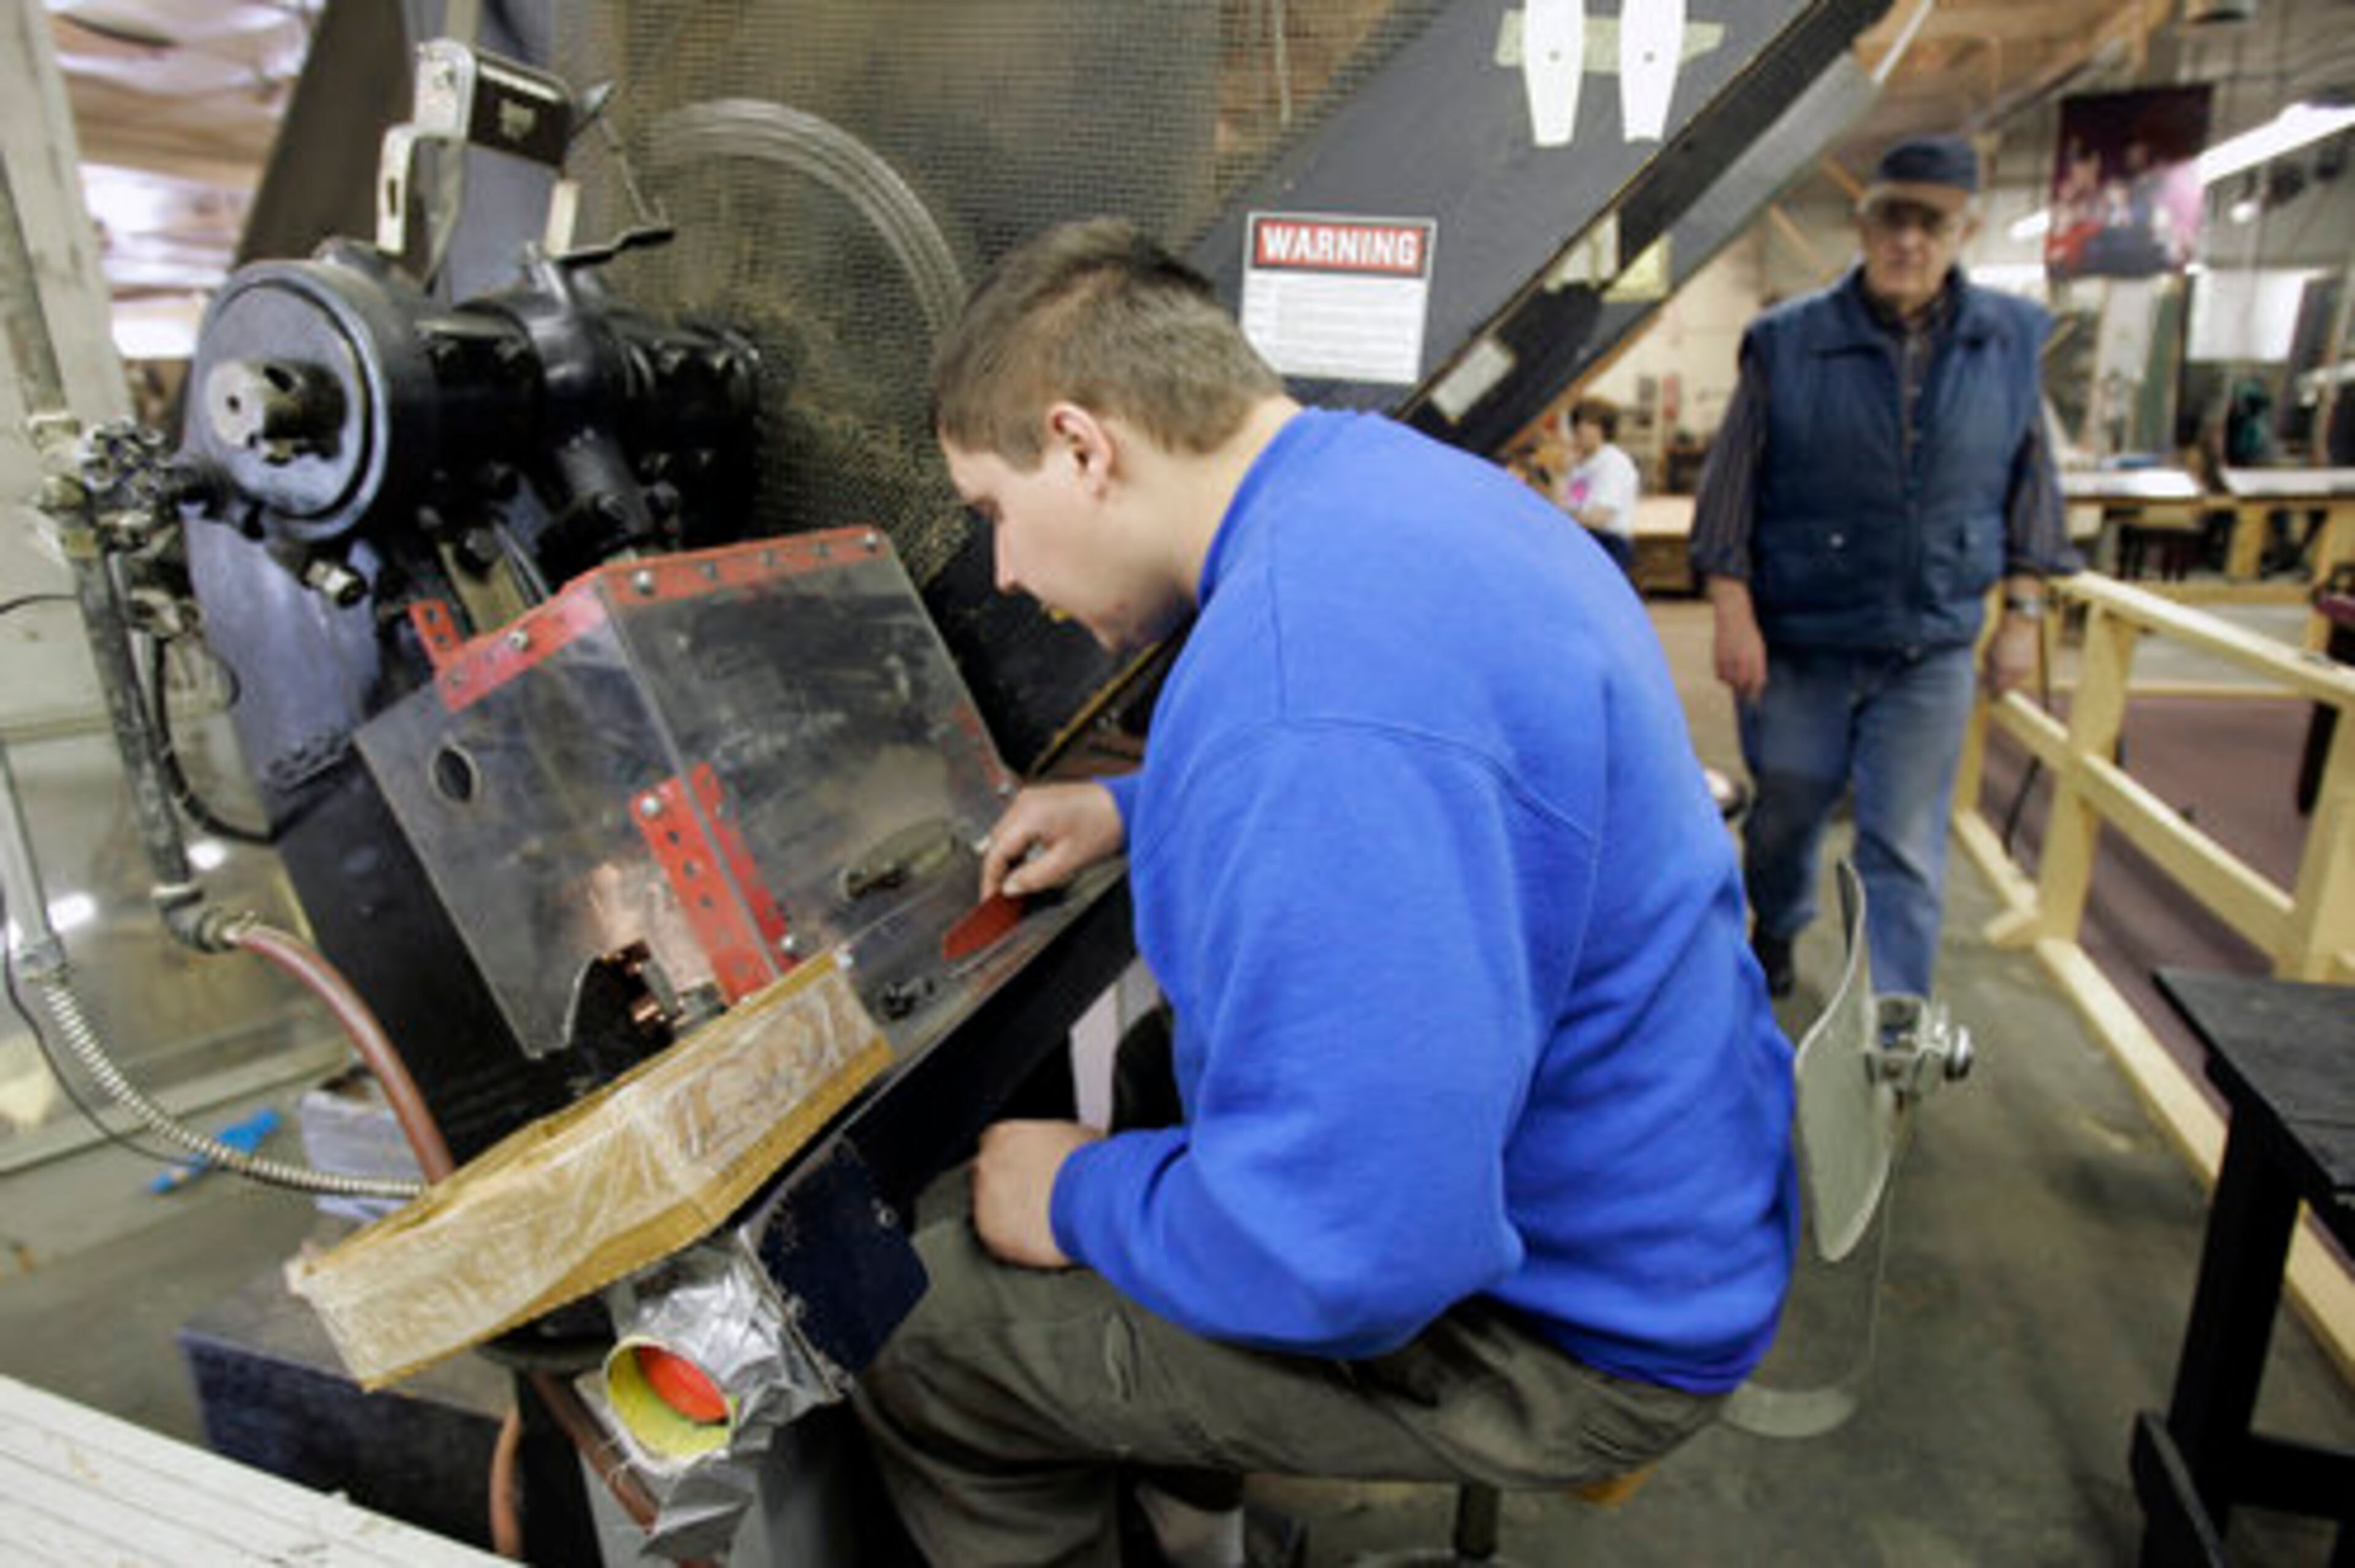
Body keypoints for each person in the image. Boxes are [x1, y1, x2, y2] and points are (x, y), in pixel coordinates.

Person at [851, 217, 1798, 1568]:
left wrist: (1074, 1199)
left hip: (1582, 1331)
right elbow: (1438, 772)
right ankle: (1198, 1527)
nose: (1004, 570)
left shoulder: (1303, 698)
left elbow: (1358, 1251)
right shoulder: (1387, 494)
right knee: (1164, 1063)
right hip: (1671, 1185)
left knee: (928, 1333)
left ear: (1081, 446)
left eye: (995, 512)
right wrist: (1135, 807)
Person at [1688, 134, 2076, 1003]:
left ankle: (1893, 1023)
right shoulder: (1785, 342)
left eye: (1931, 224)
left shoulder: (2008, 340)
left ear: (1963, 231)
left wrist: (2023, 613)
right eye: (1892, 219)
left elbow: (2032, 483)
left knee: (1903, 840)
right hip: (1801, 639)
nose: (1909, 241)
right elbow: (1729, 488)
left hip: (1929, 645)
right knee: (1788, 809)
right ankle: (1778, 921)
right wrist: (1731, 609)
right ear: (1863, 226)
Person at [1557, 396, 1641, 578]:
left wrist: (1564, 517)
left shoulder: (1613, 462)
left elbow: (1599, 518)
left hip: (1608, 543)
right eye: (1578, 425)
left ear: (1603, 429)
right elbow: (1572, 504)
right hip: (1584, 539)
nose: (1581, 431)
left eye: (1589, 425)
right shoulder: (1580, 466)